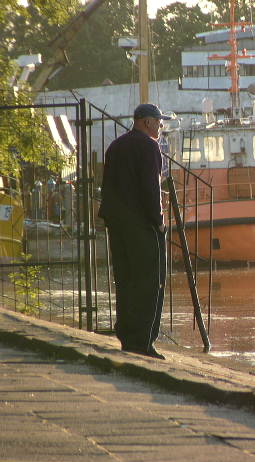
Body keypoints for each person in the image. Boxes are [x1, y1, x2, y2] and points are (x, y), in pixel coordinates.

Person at [98, 103, 172, 360]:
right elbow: (150, 189)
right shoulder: (150, 147)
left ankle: (127, 336)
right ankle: (143, 341)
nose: (161, 127)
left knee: (125, 280)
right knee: (151, 282)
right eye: (159, 122)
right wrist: (159, 220)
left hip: (117, 224)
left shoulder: (115, 146)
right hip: (142, 225)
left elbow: (107, 185)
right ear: (146, 122)